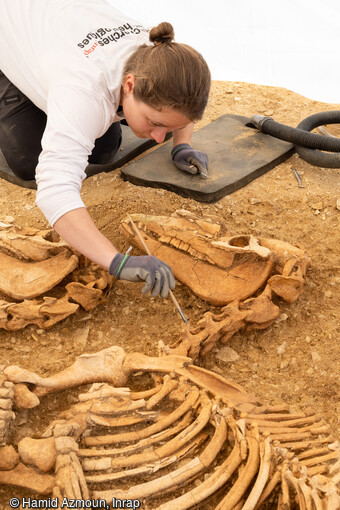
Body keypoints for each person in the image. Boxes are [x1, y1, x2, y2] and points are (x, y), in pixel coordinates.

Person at [0, 0, 211, 299]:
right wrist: (116, 261)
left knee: (106, 144)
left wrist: (183, 145)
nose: (159, 138)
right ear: (129, 84)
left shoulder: (160, 54)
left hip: (57, 31)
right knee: (29, 159)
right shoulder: (85, 94)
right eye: (154, 123)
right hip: (8, 29)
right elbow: (54, 190)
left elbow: (182, 103)